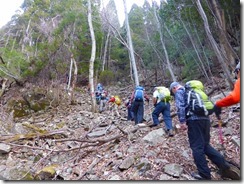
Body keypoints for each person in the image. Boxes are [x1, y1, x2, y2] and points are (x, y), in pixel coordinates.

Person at [169, 81, 238, 180]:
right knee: (205, 145)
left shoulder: (180, 91)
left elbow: (180, 106)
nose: (174, 94)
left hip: (194, 120)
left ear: (174, 88)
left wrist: (182, 121)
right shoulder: (194, 91)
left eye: (172, 92)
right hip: (205, 120)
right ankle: (223, 165)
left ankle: (204, 175)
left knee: (197, 147)